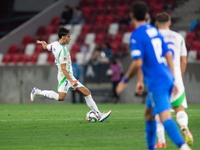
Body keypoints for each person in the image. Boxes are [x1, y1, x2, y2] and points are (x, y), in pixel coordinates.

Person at [116, 2, 191, 150]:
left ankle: (183, 147)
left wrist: (124, 81)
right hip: (167, 76)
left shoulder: (137, 35)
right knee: (149, 114)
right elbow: (168, 55)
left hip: (157, 81)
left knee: (164, 117)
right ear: (147, 16)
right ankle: (151, 147)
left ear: (131, 16)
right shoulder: (153, 31)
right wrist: (174, 79)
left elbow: (138, 62)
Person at [30, 27, 111, 122]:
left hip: (64, 76)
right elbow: (64, 69)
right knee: (81, 94)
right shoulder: (63, 51)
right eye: (68, 36)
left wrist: (42, 43)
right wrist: (71, 80)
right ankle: (98, 114)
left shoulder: (55, 44)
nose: (70, 38)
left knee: (80, 94)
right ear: (63, 37)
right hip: (65, 77)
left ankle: (37, 91)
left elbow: (46, 47)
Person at [153, 12, 193, 148]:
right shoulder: (178, 37)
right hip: (175, 76)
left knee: (159, 110)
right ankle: (183, 126)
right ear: (169, 22)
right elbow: (183, 60)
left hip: (159, 77)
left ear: (157, 23)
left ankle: (161, 141)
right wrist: (178, 75)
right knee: (179, 107)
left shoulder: (153, 37)